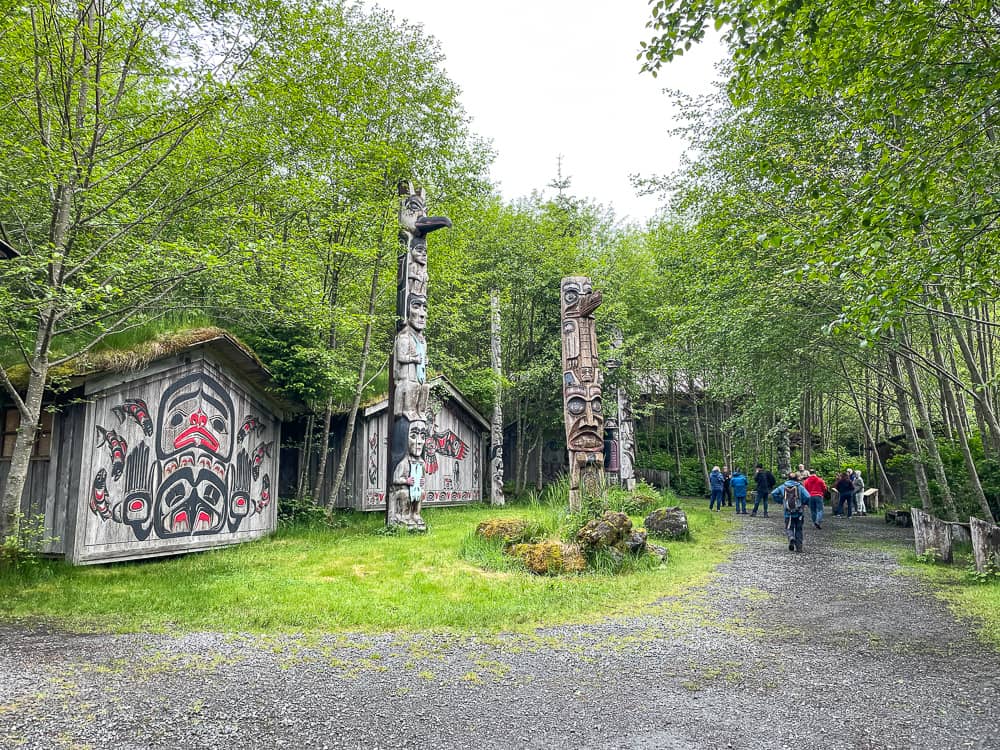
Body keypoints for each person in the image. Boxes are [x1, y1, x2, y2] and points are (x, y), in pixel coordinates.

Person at [772, 472, 811, 551]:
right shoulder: (799, 487)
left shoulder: (783, 486)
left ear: (788, 478)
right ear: (796, 478)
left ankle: (791, 537)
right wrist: (803, 502)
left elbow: (773, 493)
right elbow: (808, 496)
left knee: (789, 527)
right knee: (799, 529)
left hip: (788, 512)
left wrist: (781, 501)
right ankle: (799, 547)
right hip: (799, 512)